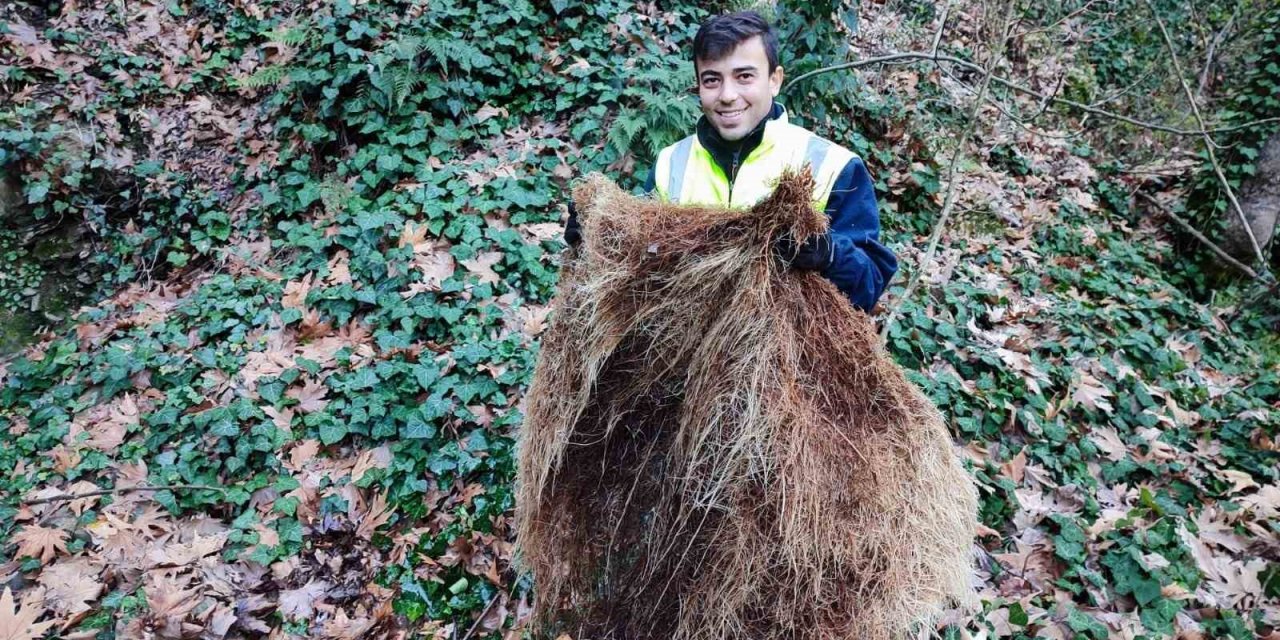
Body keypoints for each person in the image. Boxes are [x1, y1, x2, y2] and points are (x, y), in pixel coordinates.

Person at [565, 10, 897, 313]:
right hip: (682, 366)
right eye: (712, 79)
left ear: (774, 80)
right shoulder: (671, 163)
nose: (726, 95)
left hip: (789, 370)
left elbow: (869, 287)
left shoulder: (833, 166)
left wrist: (830, 254)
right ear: (698, 86)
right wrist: (597, 235)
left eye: (744, 76)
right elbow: (638, 270)